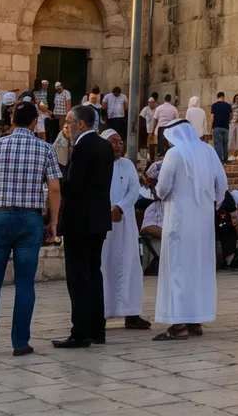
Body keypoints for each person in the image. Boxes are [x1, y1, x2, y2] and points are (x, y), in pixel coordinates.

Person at [0, 100, 62, 357]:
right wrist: (53, 222)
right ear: (35, 122)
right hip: (30, 219)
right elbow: (54, 189)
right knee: (25, 284)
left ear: (11, 121)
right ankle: (20, 343)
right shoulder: (45, 149)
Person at [152, 120, 221, 341]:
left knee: (177, 269)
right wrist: (209, 204)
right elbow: (222, 185)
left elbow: (163, 187)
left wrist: (158, 192)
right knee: (198, 268)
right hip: (203, 224)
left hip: (179, 221)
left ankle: (179, 324)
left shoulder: (174, 154)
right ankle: (195, 321)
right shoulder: (209, 151)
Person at [52, 105, 113, 348]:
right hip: (98, 219)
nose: (66, 126)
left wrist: (57, 181)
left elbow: (74, 184)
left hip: (79, 221)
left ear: (82, 124)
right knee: (94, 274)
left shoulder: (82, 147)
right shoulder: (105, 146)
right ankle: (97, 329)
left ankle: (80, 332)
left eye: (69, 121)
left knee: (78, 276)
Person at [98, 131, 149, 328]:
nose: (118, 145)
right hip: (103, 221)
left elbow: (134, 190)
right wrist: (108, 210)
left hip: (125, 221)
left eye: (120, 142)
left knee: (130, 265)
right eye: (113, 142)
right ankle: (100, 313)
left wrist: (119, 208)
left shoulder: (127, 165)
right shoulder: (98, 164)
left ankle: (131, 313)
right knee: (104, 265)